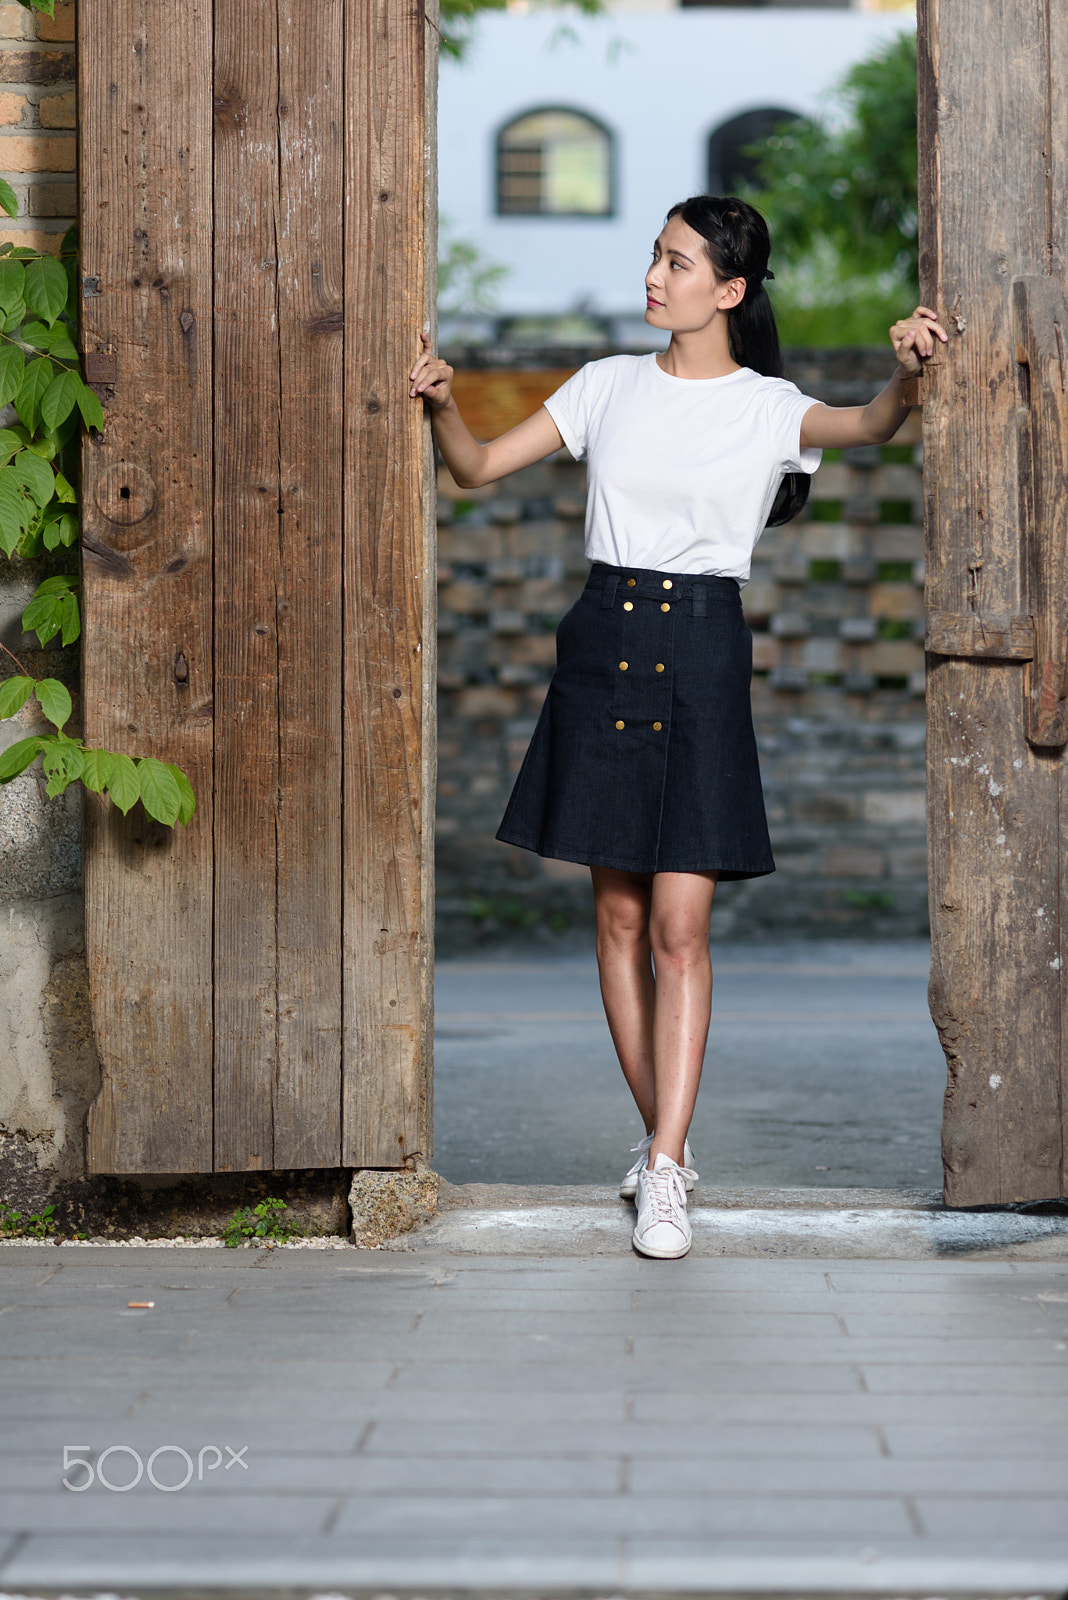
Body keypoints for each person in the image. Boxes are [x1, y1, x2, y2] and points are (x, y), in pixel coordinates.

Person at [409, 194, 947, 1261]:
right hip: (602, 639)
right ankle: (670, 1148)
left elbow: (875, 424)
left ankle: (663, 1169)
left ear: (731, 290)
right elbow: (473, 469)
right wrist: (440, 400)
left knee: (679, 928)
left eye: (678, 262)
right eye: (655, 256)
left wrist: (911, 368)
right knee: (614, 922)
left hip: (702, 649)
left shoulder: (769, 406)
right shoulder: (605, 385)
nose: (655, 275)